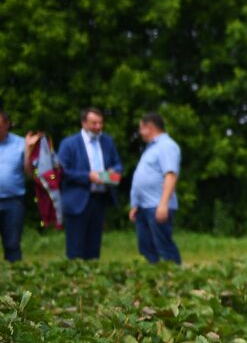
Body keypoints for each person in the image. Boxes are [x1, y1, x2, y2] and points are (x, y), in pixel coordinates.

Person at [56, 107, 122, 260]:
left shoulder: (107, 141)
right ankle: (75, 281)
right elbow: (62, 171)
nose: (98, 127)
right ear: (84, 123)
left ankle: (92, 281)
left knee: (94, 249)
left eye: (100, 123)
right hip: (77, 201)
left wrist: (113, 171)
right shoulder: (69, 143)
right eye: (94, 123)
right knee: (75, 249)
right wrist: (88, 176)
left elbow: (118, 164)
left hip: (99, 200)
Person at [127, 112, 182, 265]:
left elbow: (170, 175)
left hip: (157, 205)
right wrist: (135, 205)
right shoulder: (151, 148)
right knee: (146, 247)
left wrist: (163, 204)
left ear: (149, 127)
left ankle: (175, 278)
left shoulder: (167, 146)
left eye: (141, 128)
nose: (140, 133)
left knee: (163, 246)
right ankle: (156, 278)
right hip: (144, 206)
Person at [0, 109, 41, 262]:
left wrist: (29, 150)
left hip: (13, 201)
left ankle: (15, 279)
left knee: (12, 244)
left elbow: (30, 174)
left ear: (7, 125)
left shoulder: (21, 144)